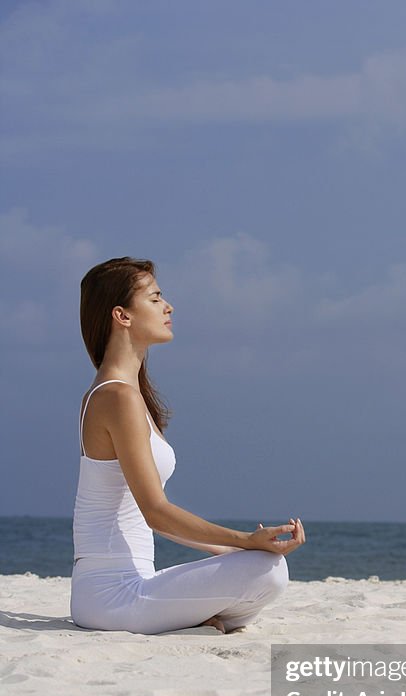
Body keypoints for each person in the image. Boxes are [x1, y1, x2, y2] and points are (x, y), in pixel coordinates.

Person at [71, 256, 305, 635]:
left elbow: (145, 517)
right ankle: (191, 619)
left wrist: (234, 552)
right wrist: (244, 540)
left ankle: (190, 619)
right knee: (267, 570)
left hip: (124, 590)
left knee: (264, 565)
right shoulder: (116, 396)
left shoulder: (127, 394)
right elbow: (156, 512)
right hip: (109, 597)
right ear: (122, 316)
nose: (169, 306)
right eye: (155, 298)